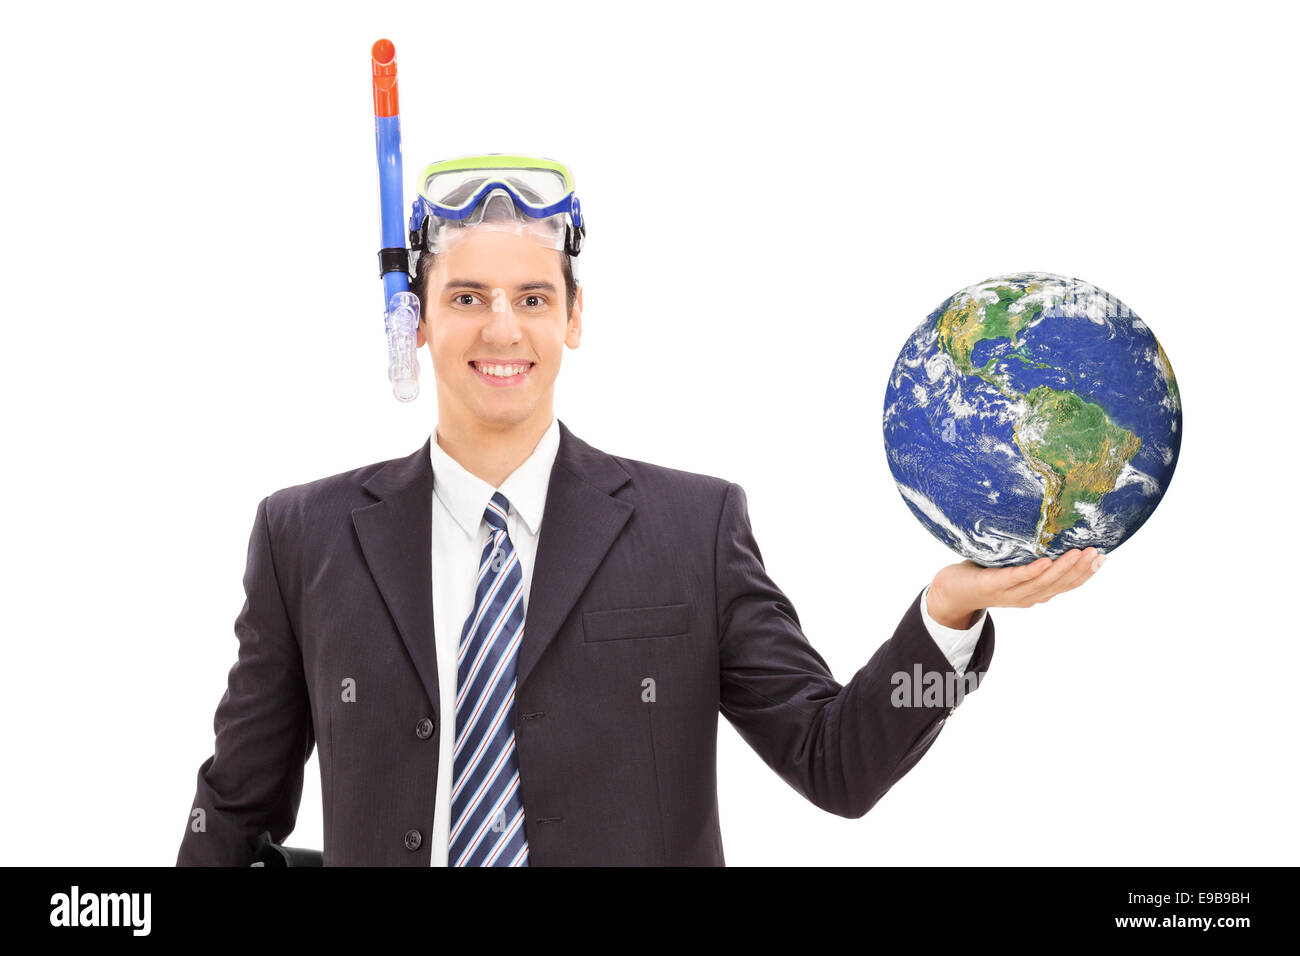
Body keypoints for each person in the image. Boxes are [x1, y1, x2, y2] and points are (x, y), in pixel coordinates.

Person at [176, 155, 1102, 866]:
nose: (502, 328)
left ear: (574, 318)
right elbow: (232, 815)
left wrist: (947, 620)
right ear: (416, 318)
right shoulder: (305, 537)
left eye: (532, 297)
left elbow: (839, 765)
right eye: (467, 297)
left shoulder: (690, 531)